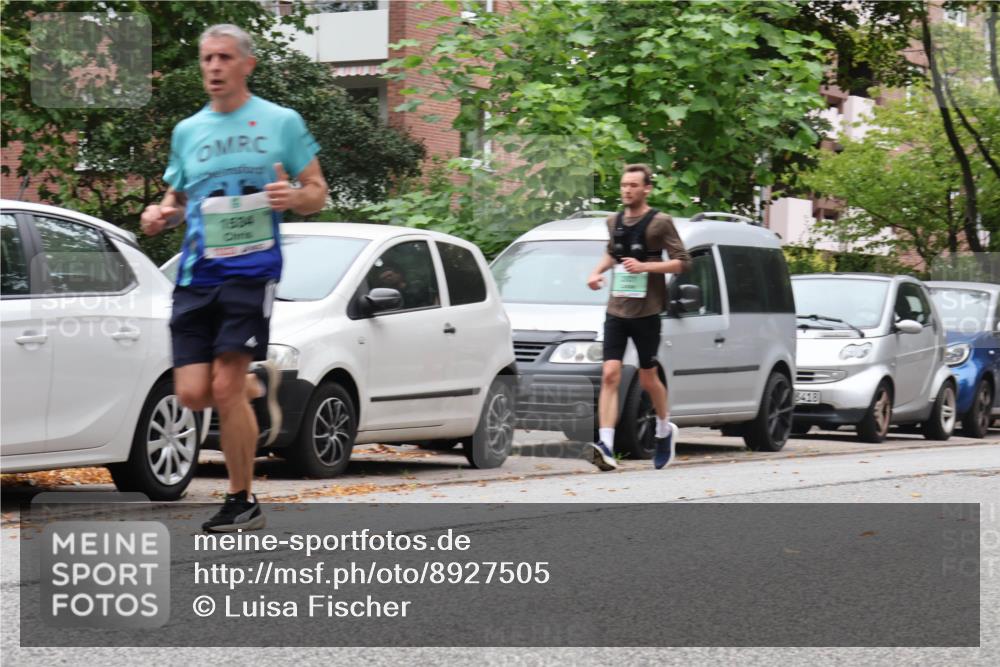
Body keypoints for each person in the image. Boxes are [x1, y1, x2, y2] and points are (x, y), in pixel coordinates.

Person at [140, 24, 328, 531]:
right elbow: (177, 201)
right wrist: (161, 215)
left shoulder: (280, 121)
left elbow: (317, 191)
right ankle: (250, 385)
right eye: (207, 59)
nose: (214, 68)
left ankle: (241, 499)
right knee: (192, 394)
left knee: (221, 386)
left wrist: (295, 198)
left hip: (251, 270)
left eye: (224, 58)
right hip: (197, 273)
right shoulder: (187, 131)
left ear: (247, 64)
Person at [585, 164, 691, 471]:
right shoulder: (613, 221)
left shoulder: (660, 222)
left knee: (647, 376)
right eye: (623, 185)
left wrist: (646, 267)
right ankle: (606, 444)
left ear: (646, 189)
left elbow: (682, 263)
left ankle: (663, 428)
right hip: (616, 309)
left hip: (647, 311)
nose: (626, 190)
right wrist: (596, 272)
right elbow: (612, 252)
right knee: (610, 373)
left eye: (633, 185)